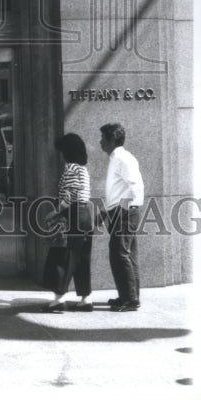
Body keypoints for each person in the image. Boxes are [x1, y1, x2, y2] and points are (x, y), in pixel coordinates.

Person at [42, 133, 94, 312]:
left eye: (62, 151)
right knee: (82, 258)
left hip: (72, 214)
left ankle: (58, 299)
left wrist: (55, 212)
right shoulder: (83, 169)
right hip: (85, 214)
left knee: (64, 256)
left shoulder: (70, 167)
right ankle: (85, 299)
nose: (61, 155)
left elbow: (71, 194)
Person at [99, 122, 144, 312]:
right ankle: (128, 296)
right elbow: (118, 189)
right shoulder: (117, 158)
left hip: (124, 213)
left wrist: (122, 209)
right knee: (126, 254)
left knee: (120, 254)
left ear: (111, 140)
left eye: (103, 138)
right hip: (120, 212)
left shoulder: (123, 159)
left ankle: (130, 300)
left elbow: (135, 187)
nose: (100, 142)